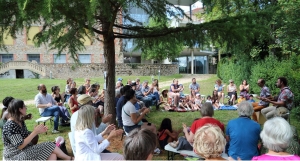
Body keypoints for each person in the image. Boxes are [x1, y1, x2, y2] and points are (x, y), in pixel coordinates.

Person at [3, 99, 74, 160]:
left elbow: (25, 136)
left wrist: (37, 132)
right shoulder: (10, 126)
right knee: (49, 145)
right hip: (14, 156)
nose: (26, 108)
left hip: (25, 150)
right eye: (24, 106)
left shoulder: (20, 120)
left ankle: (68, 159)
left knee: (52, 154)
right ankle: (69, 159)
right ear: (20, 109)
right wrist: (34, 132)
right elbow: (20, 145)